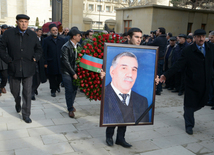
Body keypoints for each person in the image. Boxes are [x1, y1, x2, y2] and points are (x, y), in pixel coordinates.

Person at [160, 29, 214, 135]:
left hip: (206, 81)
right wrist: (166, 75)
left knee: (204, 101)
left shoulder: (211, 48)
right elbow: (178, 64)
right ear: (194, 38)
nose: (201, 39)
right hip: (191, 82)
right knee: (189, 104)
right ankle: (189, 125)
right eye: (198, 37)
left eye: (203, 36)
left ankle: (188, 113)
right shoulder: (188, 51)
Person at [0, 14, 42, 123]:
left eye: (26, 22)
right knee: (15, 91)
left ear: (28, 23)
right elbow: (1, 48)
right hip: (14, 68)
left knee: (27, 93)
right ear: (17, 22)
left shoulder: (32, 35)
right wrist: (8, 60)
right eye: (21, 21)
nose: (24, 24)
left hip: (29, 68)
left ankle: (26, 114)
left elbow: (39, 49)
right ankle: (17, 102)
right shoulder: (8, 34)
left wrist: (36, 58)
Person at [103, 52, 149, 125]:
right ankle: (109, 136)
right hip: (110, 127)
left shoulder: (142, 101)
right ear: (112, 71)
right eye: (124, 68)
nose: (130, 74)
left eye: (134, 69)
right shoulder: (103, 95)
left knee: (123, 128)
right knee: (110, 128)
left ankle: (121, 136)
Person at [61, 28, 81, 118]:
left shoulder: (79, 46)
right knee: (69, 90)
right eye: (79, 36)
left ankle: (71, 104)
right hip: (67, 72)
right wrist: (73, 73)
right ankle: (70, 109)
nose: (80, 37)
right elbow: (66, 62)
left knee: (74, 90)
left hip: (76, 71)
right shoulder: (66, 47)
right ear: (74, 37)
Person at [43, 24, 65, 97]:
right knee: (52, 77)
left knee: (59, 76)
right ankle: (53, 90)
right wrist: (45, 62)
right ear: (50, 31)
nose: (55, 31)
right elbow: (44, 52)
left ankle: (57, 85)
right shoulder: (46, 40)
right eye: (53, 30)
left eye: (56, 30)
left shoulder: (62, 40)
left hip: (60, 62)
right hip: (51, 61)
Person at [146, 27, 167, 95]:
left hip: (157, 59)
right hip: (162, 59)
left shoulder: (159, 38)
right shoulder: (165, 39)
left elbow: (150, 44)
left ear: (160, 32)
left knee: (157, 74)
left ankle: (157, 89)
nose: (156, 32)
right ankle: (160, 88)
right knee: (161, 74)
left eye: (157, 31)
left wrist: (149, 39)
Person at [31, 28, 47, 100]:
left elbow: (42, 51)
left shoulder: (42, 40)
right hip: (32, 61)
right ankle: (32, 92)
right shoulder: (31, 40)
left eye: (41, 32)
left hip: (39, 61)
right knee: (34, 78)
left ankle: (34, 89)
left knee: (39, 78)